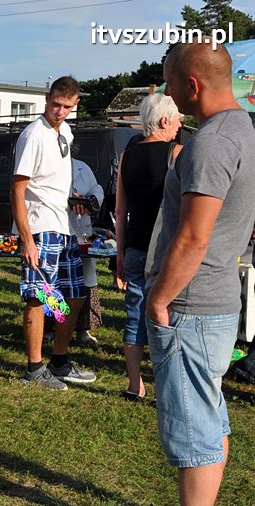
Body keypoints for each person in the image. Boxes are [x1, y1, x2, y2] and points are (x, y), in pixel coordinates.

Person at [121, 41, 255, 506]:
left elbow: (193, 237)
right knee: (210, 412)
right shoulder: (243, 129)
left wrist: (159, 299)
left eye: (169, 82)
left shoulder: (211, 143)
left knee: (192, 423)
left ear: (192, 85)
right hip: (217, 298)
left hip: (193, 304)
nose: (167, 92)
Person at [10, 76, 96, 391]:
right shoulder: (34, 135)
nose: (60, 111)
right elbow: (17, 190)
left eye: (67, 107)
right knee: (39, 296)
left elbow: (55, 179)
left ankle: (59, 359)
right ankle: (34, 367)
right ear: (47, 98)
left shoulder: (65, 131)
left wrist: (74, 198)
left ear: (76, 105)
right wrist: (27, 239)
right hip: (40, 226)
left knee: (73, 295)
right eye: (56, 104)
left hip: (65, 225)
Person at [114, 93, 182, 401]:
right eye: (178, 120)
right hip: (166, 249)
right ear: (165, 120)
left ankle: (134, 385)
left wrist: (120, 252)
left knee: (135, 314)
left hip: (135, 246)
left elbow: (120, 209)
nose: (179, 126)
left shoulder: (128, 155)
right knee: (167, 315)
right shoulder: (175, 153)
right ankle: (164, 387)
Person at [43, 144, 105, 347]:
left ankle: (83, 329)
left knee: (85, 280)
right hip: (55, 229)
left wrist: (89, 200)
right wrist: (69, 199)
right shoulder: (47, 168)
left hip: (80, 232)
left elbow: (97, 189)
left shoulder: (82, 167)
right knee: (54, 282)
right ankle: (50, 328)